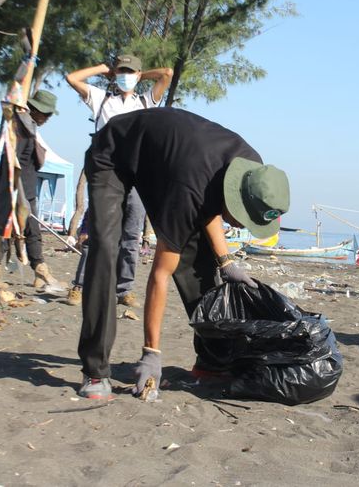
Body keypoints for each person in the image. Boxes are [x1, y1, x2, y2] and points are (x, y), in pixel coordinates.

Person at [77, 108, 290, 400]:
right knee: (105, 251)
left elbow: (211, 201)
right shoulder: (189, 186)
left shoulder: (254, 171)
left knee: (200, 263)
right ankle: (95, 370)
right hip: (113, 154)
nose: (241, 225)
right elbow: (160, 274)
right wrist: (151, 352)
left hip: (168, 164)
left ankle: (212, 362)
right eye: (242, 219)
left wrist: (225, 262)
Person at [64, 54, 173, 308]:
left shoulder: (145, 102)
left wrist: (140, 75)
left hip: (137, 176)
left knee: (131, 236)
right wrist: (104, 69)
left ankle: (124, 289)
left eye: (130, 71)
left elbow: (167, 73)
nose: (126, 75)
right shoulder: (101, 99)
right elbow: (72, 77)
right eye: (122, 71)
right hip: (106, 176)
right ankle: (79, 285)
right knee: (97, 232)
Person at [0, 89, 64, 289]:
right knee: (4, 232)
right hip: (14, 192)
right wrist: (16, 198)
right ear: (36, 109)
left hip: (27, 193)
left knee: (33, 231)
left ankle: (40, 270)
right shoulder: (19, 130)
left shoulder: (28, 128)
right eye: (46, 114)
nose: (47, 118)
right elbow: (12, 166)